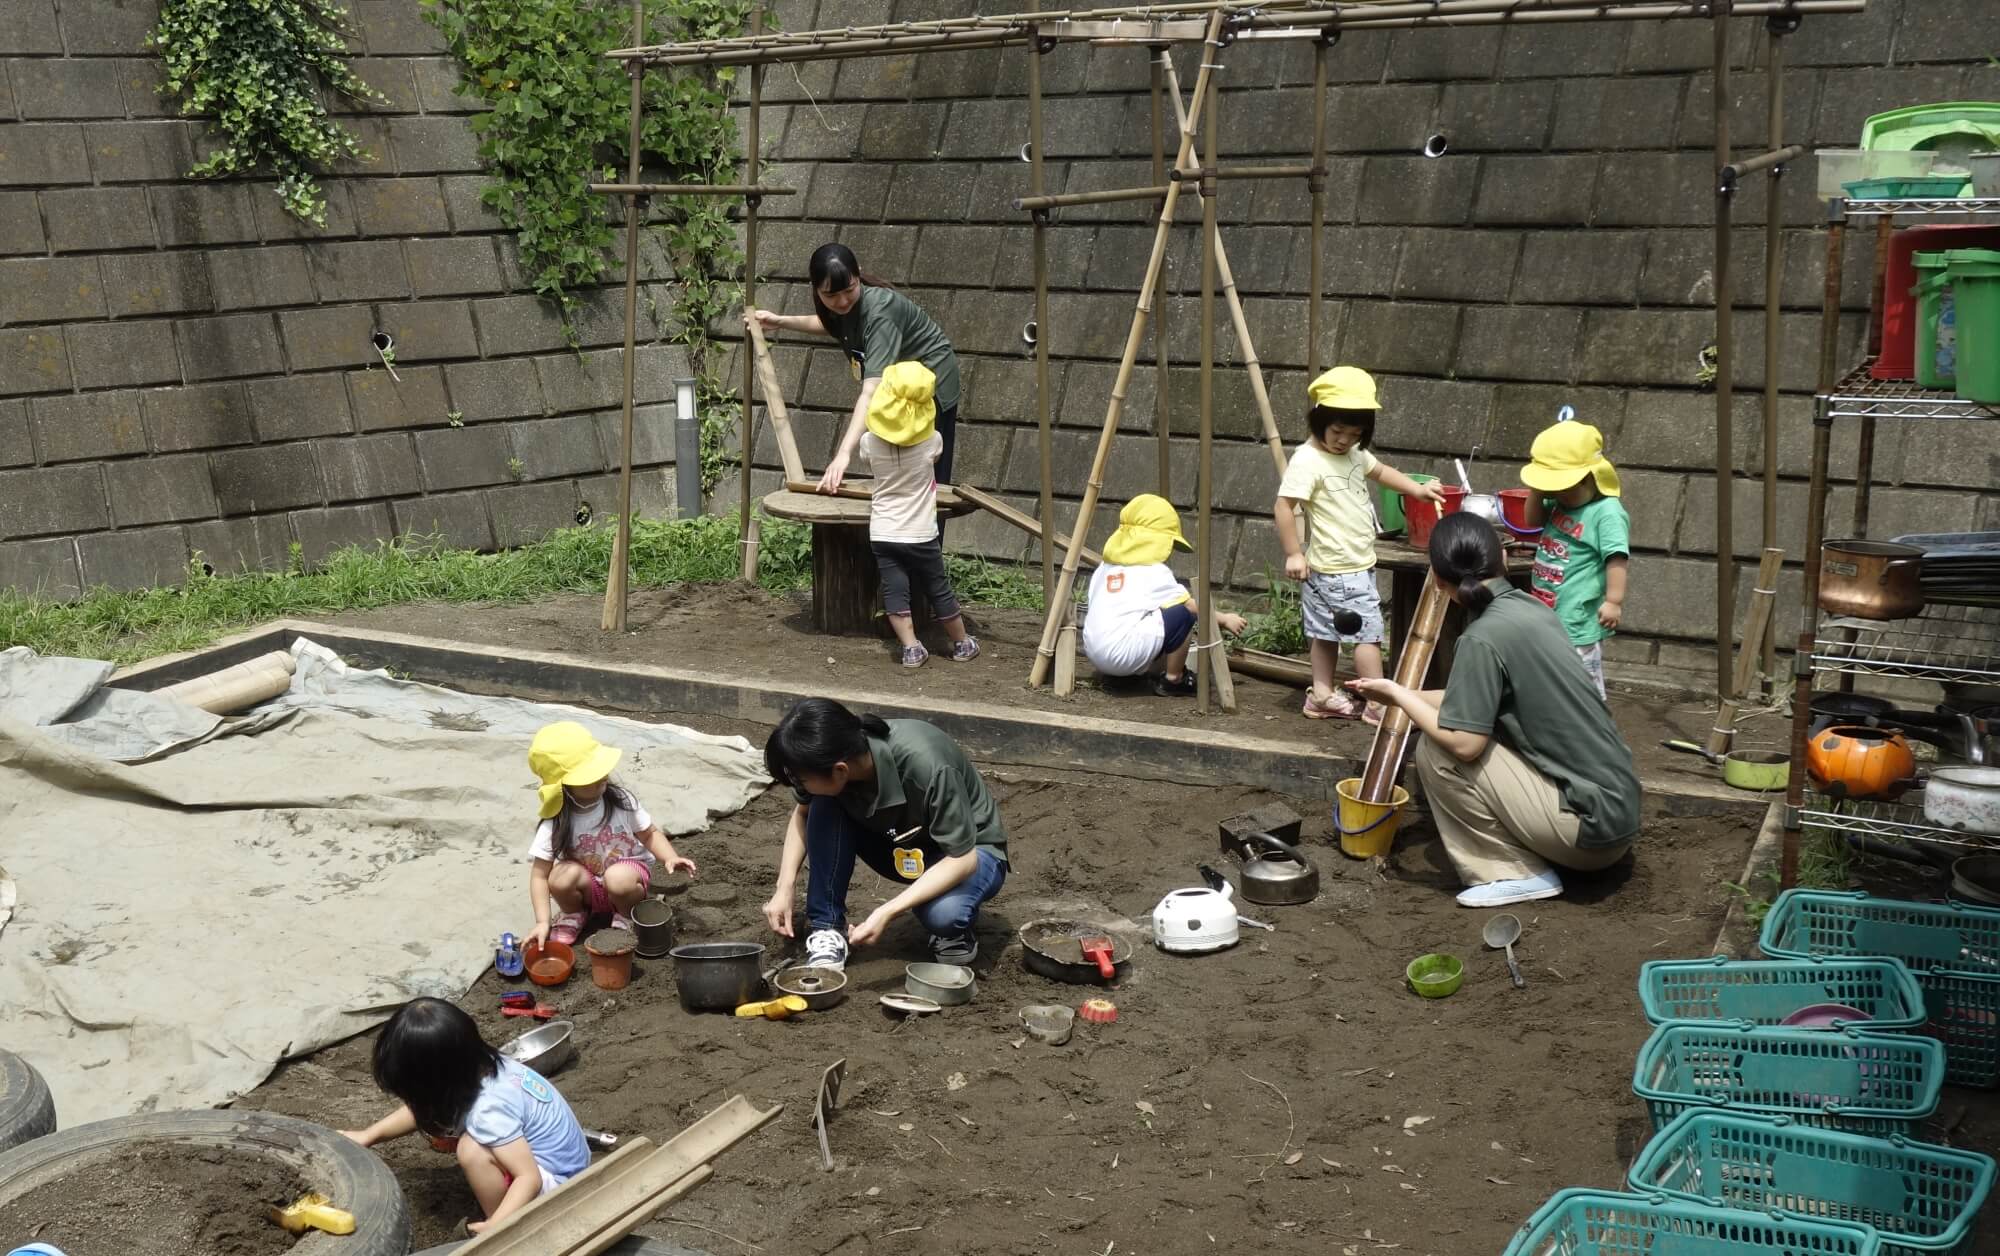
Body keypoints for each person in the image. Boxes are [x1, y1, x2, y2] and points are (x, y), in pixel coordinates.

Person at [1346, 513, 1642, 908]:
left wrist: (1401, 699)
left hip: (1588, 836)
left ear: (1437, 580)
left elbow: (1465, 743)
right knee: (1451, 727)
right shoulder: (1531, 610)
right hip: (1618, 815)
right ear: (1502, 558)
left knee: (1437, 751)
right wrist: (1399, 691)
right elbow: (1466, 698)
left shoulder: (1481, 638)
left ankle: (1514, 872)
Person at [760, 698, 1007, 971]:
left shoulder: (927, 763)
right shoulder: (833, 760)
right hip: (899, 842)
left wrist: (886, 911)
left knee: (945, 915)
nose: (798, 785)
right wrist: (784, 888)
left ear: (840, 770)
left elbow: (963, 858)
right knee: (822, 803)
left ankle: (953, 932)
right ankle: (827, 928)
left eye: (801, 779)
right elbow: (803, 813)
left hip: (969, 853)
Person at [1275, 366, 1445, 724]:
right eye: (1337, 431)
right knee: (1367, 635)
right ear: (1317, 419)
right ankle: (1378, 702)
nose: (1343, 440)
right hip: (1338, 567)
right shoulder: (1308, 460)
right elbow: (1284, 506)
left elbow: (1381, 472)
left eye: (1354, 434)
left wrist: (1416, 489)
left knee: (1325, 631)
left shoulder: (1353, 454)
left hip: (1351, 564)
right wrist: (1293, 551)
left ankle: (1321, 695)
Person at [342, 998, 590, 1234]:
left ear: (437, 1081)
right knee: (475, 1143)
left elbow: (529, 1178)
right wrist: (368, 1136)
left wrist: (497, 1224)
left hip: (562, 1186)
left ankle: (508, 1228)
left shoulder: (488, 1110)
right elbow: (425, 1105)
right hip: (569, 1163)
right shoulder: (484, 1065)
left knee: (471, 1150)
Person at [746, 242, 962, 492]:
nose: (842, 301)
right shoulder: (848, 308)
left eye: (849, 290)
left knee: (924, 480)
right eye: (831, 295)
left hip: (929, 387)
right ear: (816, 290)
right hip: (896, 390)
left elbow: (871, 391)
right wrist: (781, 321)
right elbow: (832, 325)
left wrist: (843, 454)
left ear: (858, 274)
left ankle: (928, 531)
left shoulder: (881, 312)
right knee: (898, 478)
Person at [524, 721, 697, 947]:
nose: (602, 776)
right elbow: (539, 875)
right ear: (564, 787)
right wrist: (542, 921)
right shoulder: (556, 822)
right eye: (590, 775)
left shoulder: (621, 801)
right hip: (589, 885)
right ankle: (574, 914)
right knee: (559, 876)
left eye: (600, 769)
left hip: (627, 880)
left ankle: (626, 915)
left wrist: (670, 857)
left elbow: (649, 833)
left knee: (617, 878)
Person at [863, 360, 979, 668]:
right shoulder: (933, 441)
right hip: (921, 533)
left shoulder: (868, 443)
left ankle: (911, 648)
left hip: (883, 532)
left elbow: (867, 455)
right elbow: (932, 452)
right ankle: (962, 643)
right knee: (938, 588)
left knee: (895, 591)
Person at [1082, 494, 1246, 696]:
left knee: (1149, 616)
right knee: (1182, 613)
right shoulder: (1153, 571)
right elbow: (1191, 607)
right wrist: (1225, 619)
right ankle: (1173, 680)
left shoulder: (1104, 569)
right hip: (1122, 655)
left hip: (1094, 652)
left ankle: (1123, 676)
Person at [1520, 420, 1629, 699]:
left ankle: (1592, 733)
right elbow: (1531, 520)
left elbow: (1616, 557)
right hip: (1546, 613)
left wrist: (1614, 601)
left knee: (1582, 688)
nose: (1558, 494)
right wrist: (1538, 489)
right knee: (1549, 681)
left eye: (1563, 487)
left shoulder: (1606, 512)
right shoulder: (1558, 502)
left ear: (1591, 478)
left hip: (1577, 620)